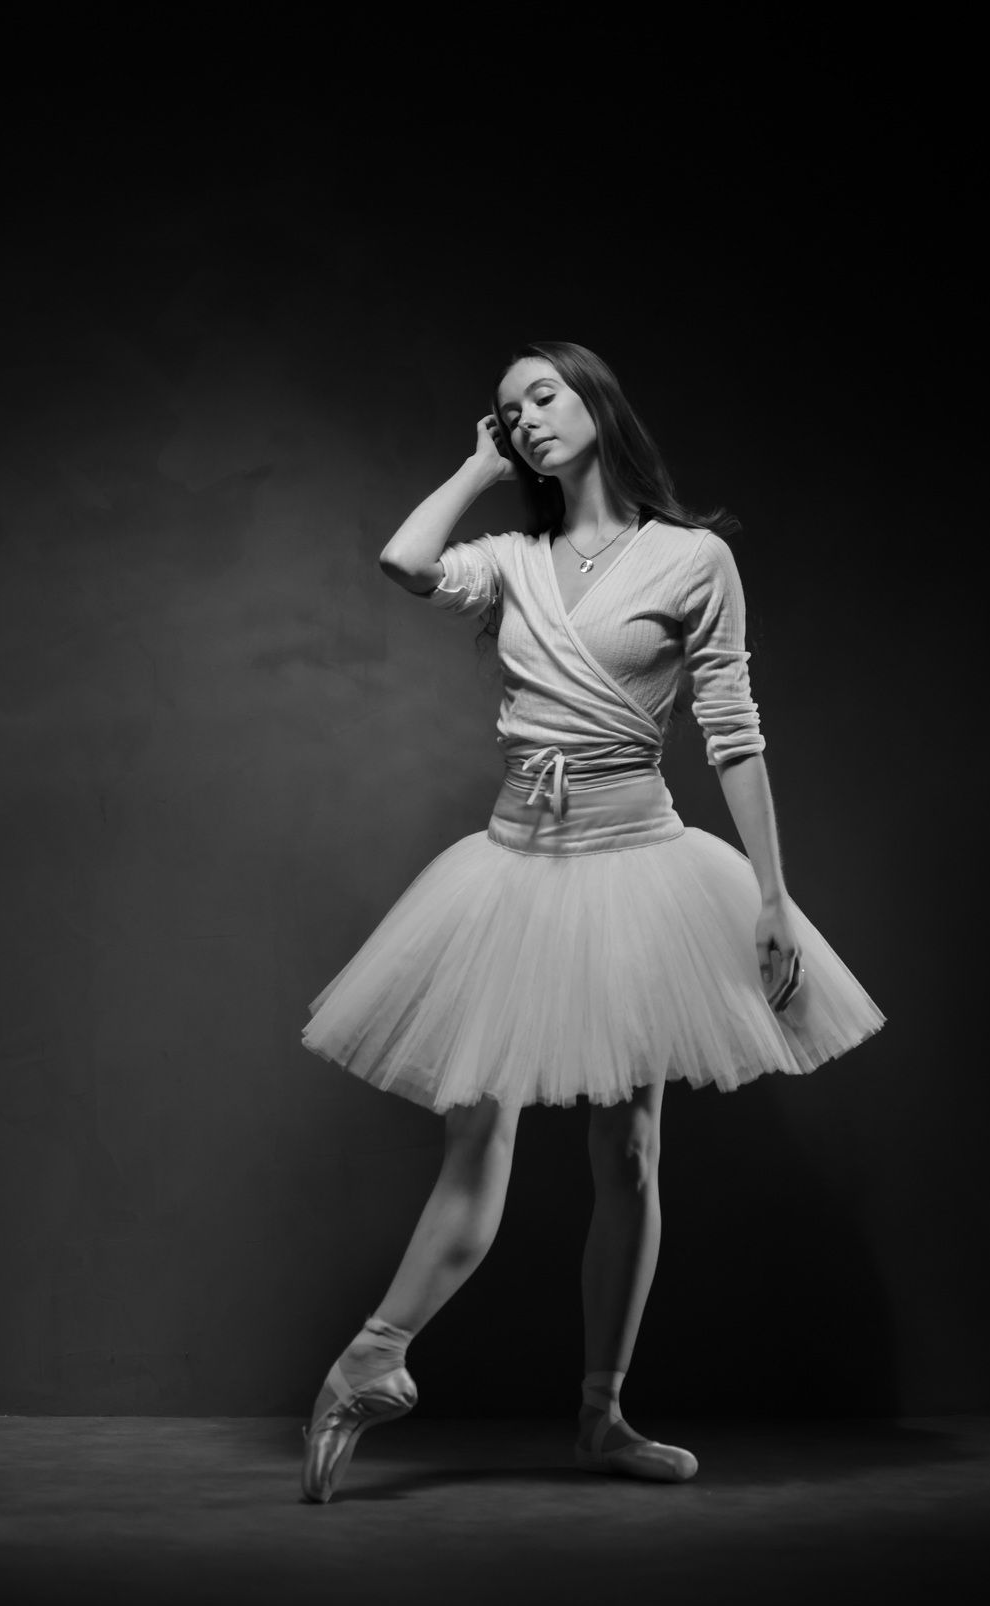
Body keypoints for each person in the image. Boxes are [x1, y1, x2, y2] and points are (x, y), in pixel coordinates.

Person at [299, 340, 884, 1502]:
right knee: (479, 1135)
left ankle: (601, 1415)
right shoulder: (510, 560)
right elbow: (401, 558)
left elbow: (732, 731)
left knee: (628, 1148)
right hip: (516, 866)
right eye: (509, 411)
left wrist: (771, 900)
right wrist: (471, 469)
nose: (524, 420)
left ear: (596, 403)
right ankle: (370, 1357)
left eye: (543, 396)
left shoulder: (692, 558)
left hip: (635, 867)